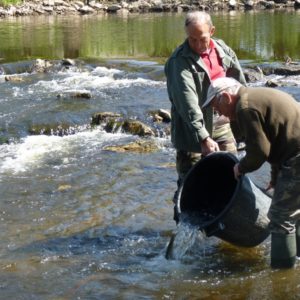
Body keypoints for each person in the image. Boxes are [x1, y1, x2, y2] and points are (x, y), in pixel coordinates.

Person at [202, 77, 300, 268]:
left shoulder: (245, 108)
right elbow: (276, 142)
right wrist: (275, 178)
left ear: (226, 98)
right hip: (293, 154)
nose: (217, 112)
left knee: (280, 218)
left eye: (216, 107)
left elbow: (260, 152)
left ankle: (281, 278)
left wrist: (241, 166)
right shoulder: (253, 98)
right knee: (295, 212)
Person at [164, 11, 246, 223]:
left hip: (223, 125)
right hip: (192, 134)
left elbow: (240, 85)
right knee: (189, 186)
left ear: (212, 31)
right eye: (192, 39)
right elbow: (188, 104)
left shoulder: (222, 50)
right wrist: (203, 137)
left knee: (233, 176)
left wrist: (245, 118)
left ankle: (224, 230)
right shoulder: (179, 62)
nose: (198, 44)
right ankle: (182, 233)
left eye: (202, 39)